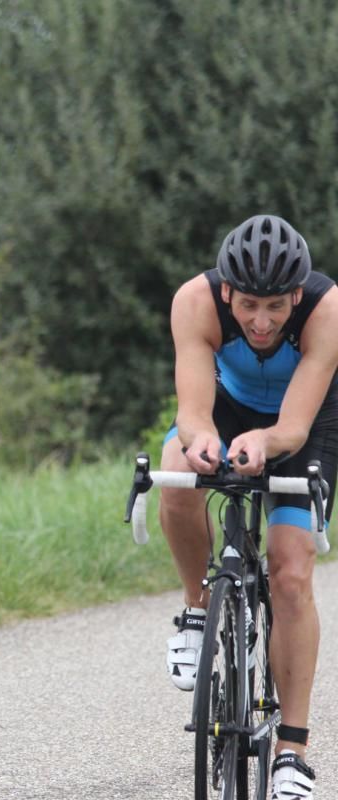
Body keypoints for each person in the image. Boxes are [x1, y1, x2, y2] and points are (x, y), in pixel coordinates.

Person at [160, 214, 338, 798]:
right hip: (228, 408)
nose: (261, 324)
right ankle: (195, 606)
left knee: (290, 573)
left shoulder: (328, 310)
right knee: (178, 471)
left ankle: (292, 750)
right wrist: (202, 438)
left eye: (276, 308)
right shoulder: (195, 301)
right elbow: (192, 409)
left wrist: (265, 443)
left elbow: (290, 427)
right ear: (228, 292)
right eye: (248, 307)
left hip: (304, 426)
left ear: (295, 296)